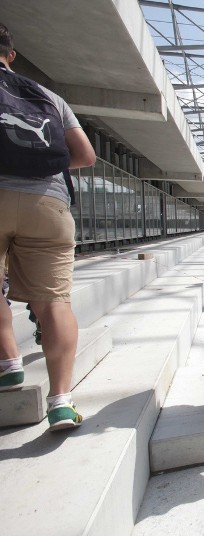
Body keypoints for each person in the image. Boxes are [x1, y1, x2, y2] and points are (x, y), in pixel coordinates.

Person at [0, 23, 97, 431]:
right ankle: (60, 401)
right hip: (49, 204)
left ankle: (8, 364)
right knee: (56, 301)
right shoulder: (48, 98)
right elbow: (87, 156)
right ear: (12, 54)